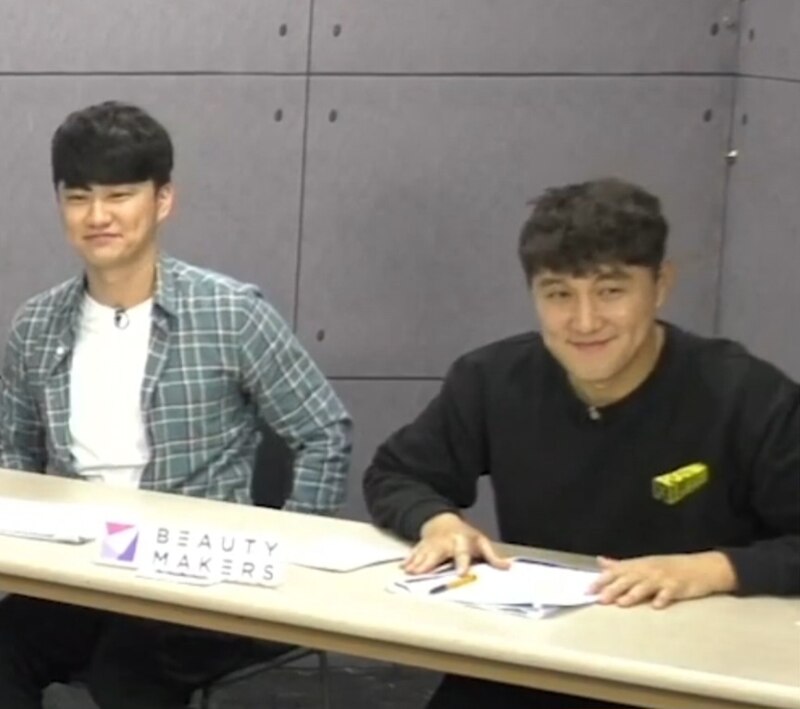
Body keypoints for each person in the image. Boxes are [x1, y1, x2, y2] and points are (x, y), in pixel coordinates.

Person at [362, 177, 800, 708]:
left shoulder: (747, 395)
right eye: (559, 294)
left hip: (692, 669)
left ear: (660, 285)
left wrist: (711, 570)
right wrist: (439, 523)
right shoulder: (492, 378)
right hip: (535, 656)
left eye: (611, 291)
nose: (585, 321)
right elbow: (396, 472)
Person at [0, 101, 352, 709]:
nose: (98, 216)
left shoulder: (231, 313)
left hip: (194, 580)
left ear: (163, 200)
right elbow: (14, 454)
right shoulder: (35, 326)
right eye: (79, 198)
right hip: (79, 570)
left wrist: (289, 556)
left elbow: (324, 431)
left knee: (126, 674)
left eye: (119, 196)